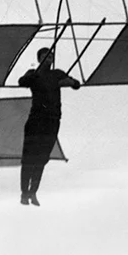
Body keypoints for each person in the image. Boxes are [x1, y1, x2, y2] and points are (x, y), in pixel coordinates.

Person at [17, 46, 82, 205]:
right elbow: (21, 82)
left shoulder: (57, 74)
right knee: (29, 158)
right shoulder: (33, 73)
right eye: (46, 56)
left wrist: (70, 82)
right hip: (36, 120)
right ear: (39, 59)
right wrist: (35, 78)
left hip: (52, 120)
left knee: (42, 158)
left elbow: (76, 84)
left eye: (51, 56)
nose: (49, 59)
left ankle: (33, 192)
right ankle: (24, 192)